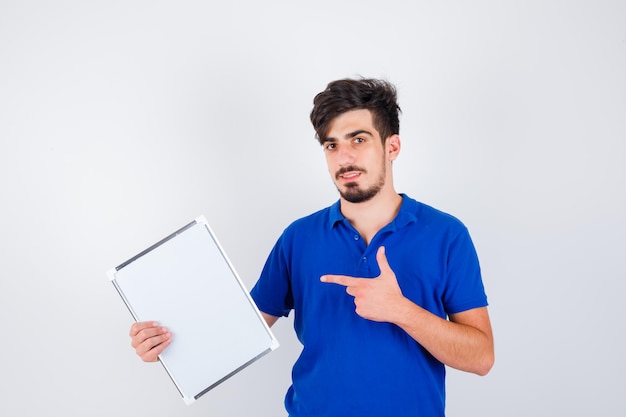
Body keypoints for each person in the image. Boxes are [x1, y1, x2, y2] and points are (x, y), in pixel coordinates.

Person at [130, 78, 494, 416]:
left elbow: (481, 357)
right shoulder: (299, 238)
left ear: (392, 146)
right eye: (331, 145)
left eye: (359, 139)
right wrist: (167, 344)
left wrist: (401, 310)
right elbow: (242, 333)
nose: (344, 157)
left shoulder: (446, 234)